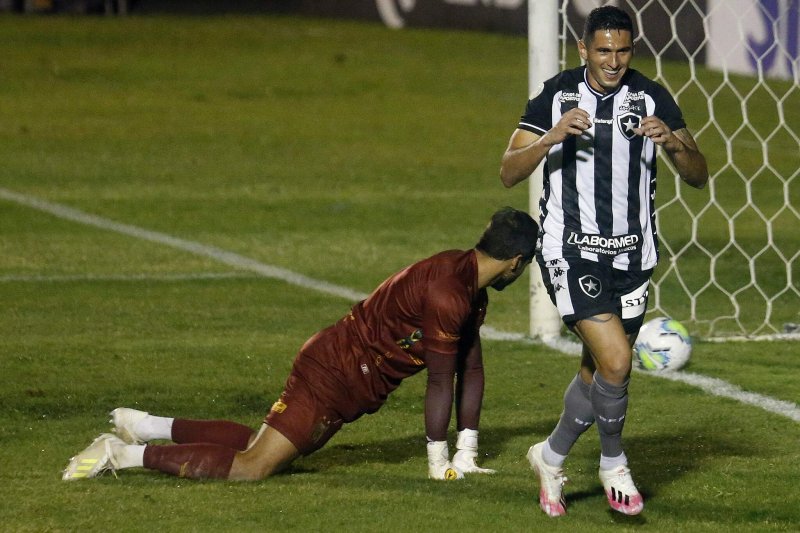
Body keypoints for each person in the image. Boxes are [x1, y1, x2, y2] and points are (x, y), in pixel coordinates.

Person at [62, 207, 539, 483]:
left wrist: (466, 452)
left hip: (346, 374)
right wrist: (438, 462)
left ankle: (143, 425)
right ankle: (120, 454)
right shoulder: (449, 293)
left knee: (260, 446)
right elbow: (439, 379)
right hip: (335, 372)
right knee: (254, 467)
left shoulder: (468, 289)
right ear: (516, 262)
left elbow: (469, 370)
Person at [499, 6, 708, 517]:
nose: (613, 62)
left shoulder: (652, 97)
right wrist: (550, 137)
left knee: (597, 372)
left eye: (622, 51)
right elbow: (508, 171)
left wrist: (673, 143)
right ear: (583, 50)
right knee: (617, 361)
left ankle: (550, 457)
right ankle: (614, 464)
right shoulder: (556, 95)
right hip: (571, 249)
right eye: (603, 51)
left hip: (634, 254)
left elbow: (698, 174)